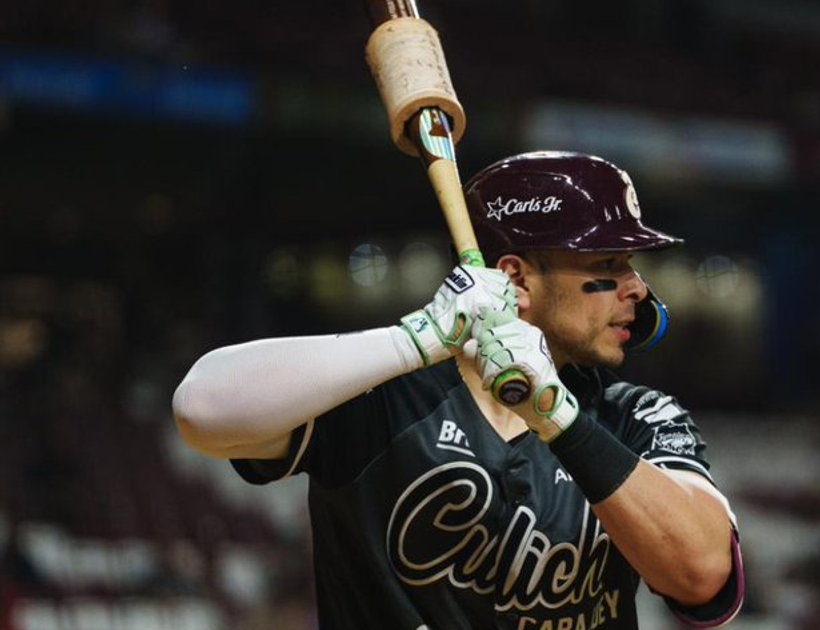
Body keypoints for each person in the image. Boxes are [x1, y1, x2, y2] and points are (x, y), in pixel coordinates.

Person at [173, 151, 744, 630]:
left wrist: (559, 418)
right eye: (609, 263)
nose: (638, 290)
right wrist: (416, 339)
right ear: (516, 278)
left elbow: (703, 573)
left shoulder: (636, 415)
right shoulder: (385, 397)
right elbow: (200, 408)